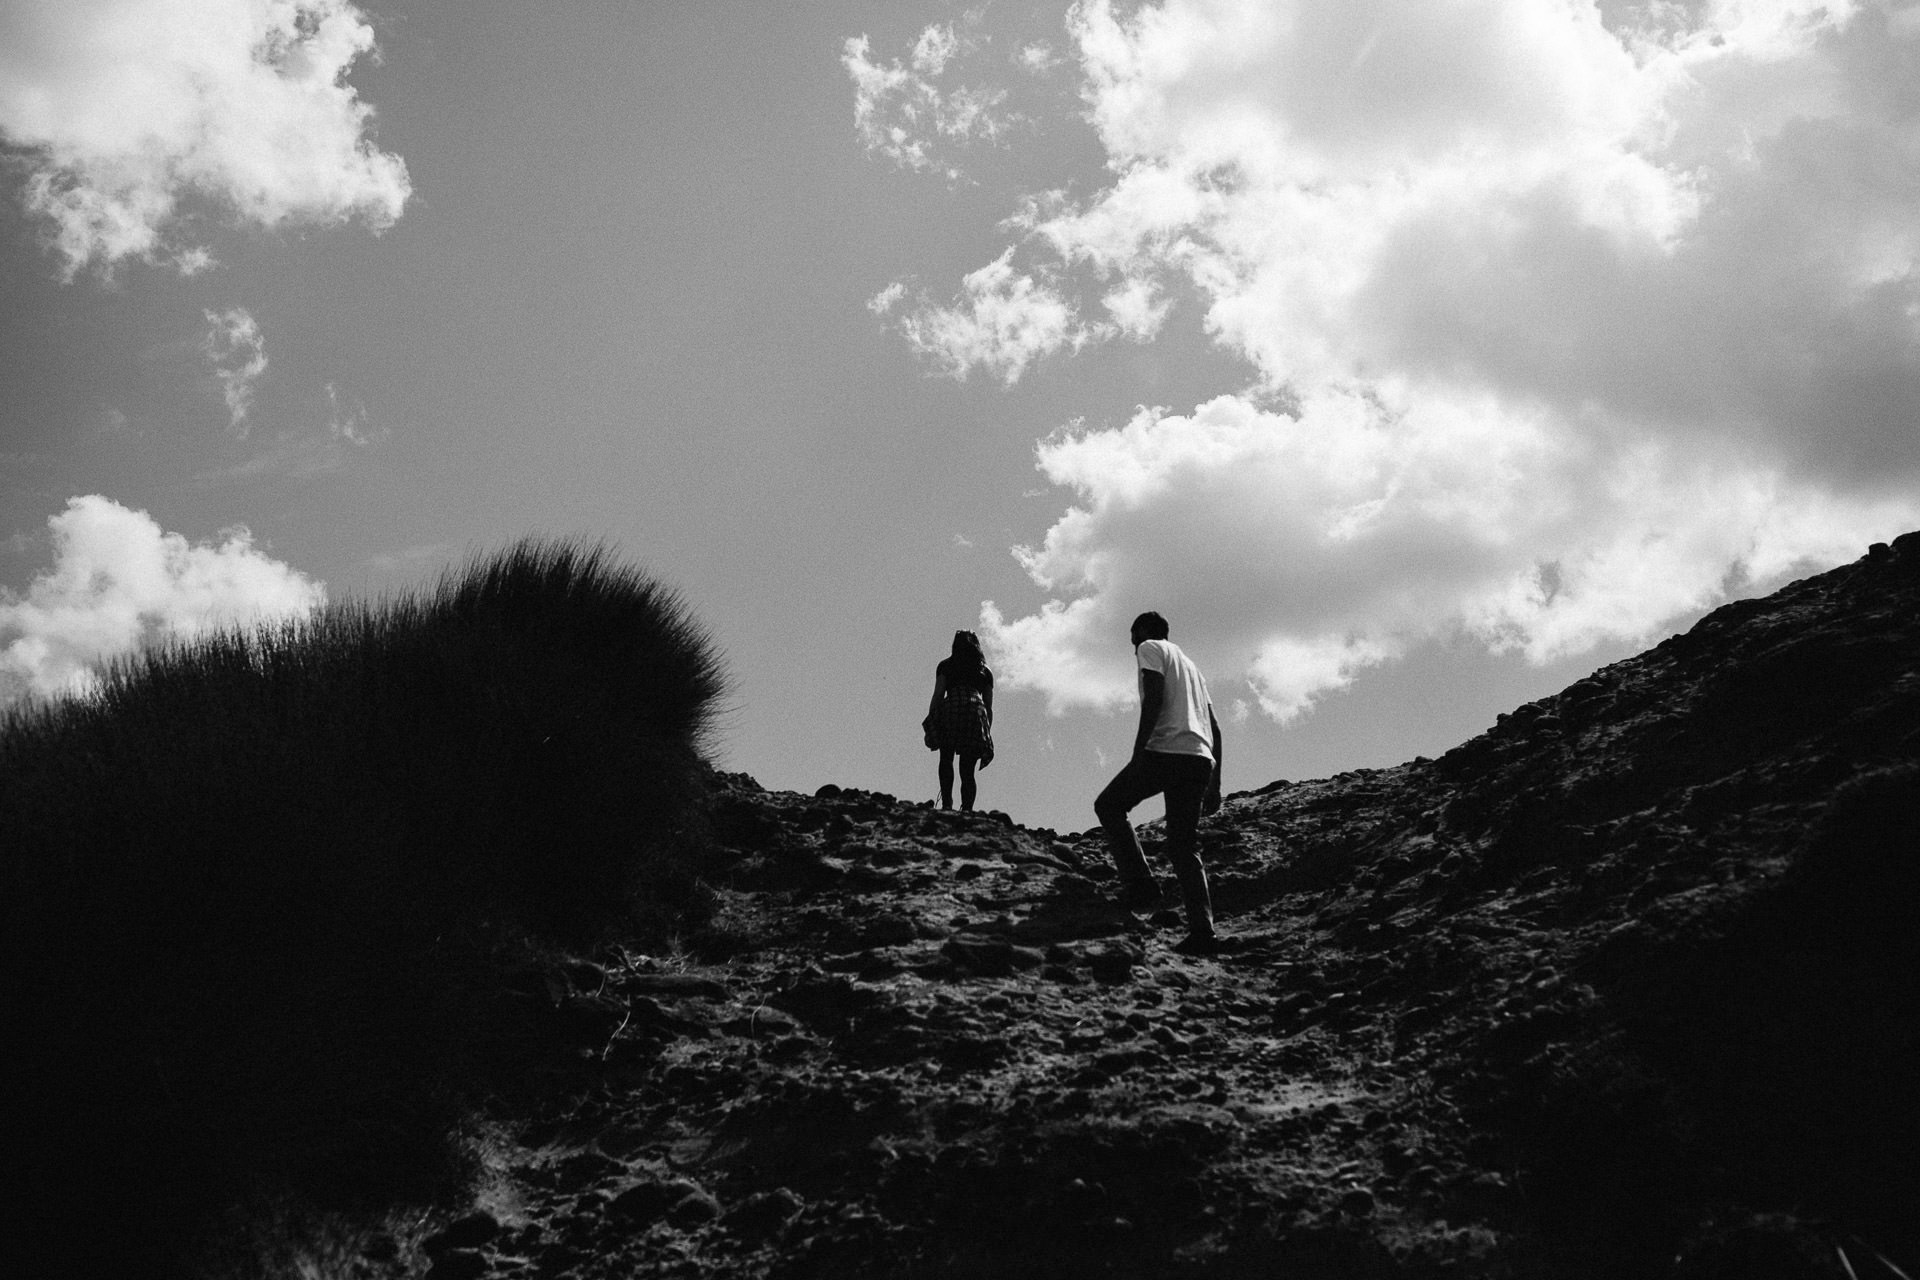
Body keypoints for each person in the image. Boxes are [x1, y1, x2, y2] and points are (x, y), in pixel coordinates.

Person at [1095, 611, 1224, 955]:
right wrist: (1216, 782)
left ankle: (1142, 886)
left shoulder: (1151, 648)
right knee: (1185, 847)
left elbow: (1153, 697)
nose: (1132, 645)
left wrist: (1139, 752)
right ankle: (1203, 931)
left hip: (1165, 751)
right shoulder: (1193, 669)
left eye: (1132, 636)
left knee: (1109, 805)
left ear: (1143, 631)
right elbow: (1216, 727)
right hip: (1199, 758)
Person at [924, 630, 994, 811]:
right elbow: (988, 705)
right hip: (975, 712)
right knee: (968, 769)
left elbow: (938, 694)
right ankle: (967, 809)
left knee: (946, 758)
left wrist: (933, 718)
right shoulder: (985, 671)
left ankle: (947, 803)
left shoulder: (946, 665)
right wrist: (987, 730)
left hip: (952, 708)